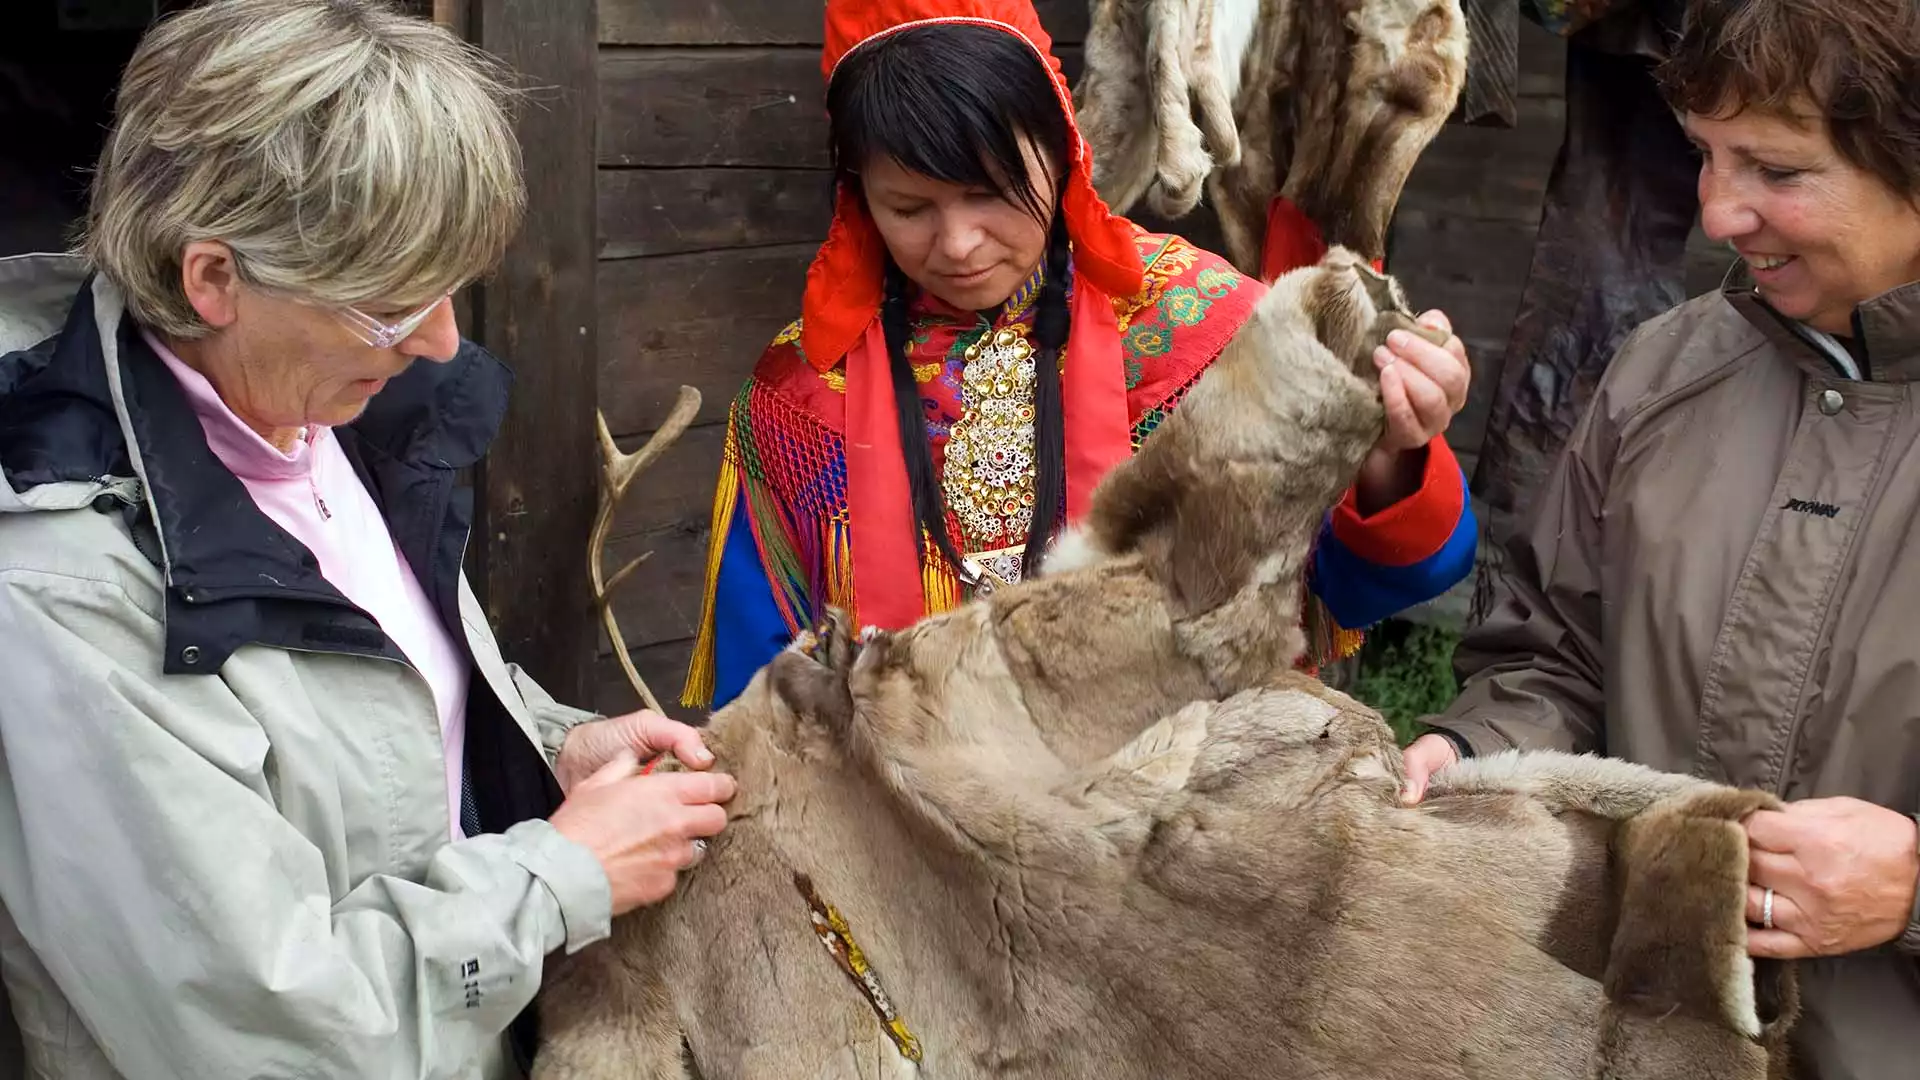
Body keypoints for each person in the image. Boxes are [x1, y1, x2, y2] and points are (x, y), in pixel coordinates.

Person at [0, 2, 733, 1076]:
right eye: (394, 302)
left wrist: (544, 749)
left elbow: (372, 712)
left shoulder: (316, 416)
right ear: (214, 279)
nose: (439, 341)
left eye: (451, 288)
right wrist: (563, 874)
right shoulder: (63, 589)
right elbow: (258, 1028)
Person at [680, 0, 1479, 711]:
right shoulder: (799, 400)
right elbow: (761, 696)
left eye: (992, 192)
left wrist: (1396, 450)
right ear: (859, 196)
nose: (957, 245)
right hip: (915, 829)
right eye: (908, 207)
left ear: (1063, 150)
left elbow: (1368, 582)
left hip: (1189, 806)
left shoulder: (1217, 331)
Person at [1403, 0, 1920, 1073]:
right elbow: (1554, 659)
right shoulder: (1661, 373)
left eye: (1777, 170)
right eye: (1705, 154)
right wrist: (1471, 752)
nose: (1719, 212)